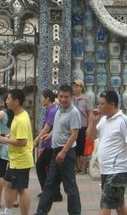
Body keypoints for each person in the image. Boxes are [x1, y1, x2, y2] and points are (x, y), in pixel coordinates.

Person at [87, 90, 127, 215]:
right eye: (99, 103)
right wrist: (93, 121)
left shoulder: (124, 121)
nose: (99, 107)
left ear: (112, 104)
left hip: (118, 170)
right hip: (105, 169)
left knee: (106, 204)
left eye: (102, 104)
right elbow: (91, 137)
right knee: (119, 204)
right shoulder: (103, 120)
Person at [35, 84, 82, 215]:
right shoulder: (59, 110)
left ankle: (75, 212)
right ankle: (41, 212)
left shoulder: (74, 113)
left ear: (71, 97)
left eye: (66, 97)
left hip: (66, 152)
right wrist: (50, 135)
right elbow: (58, 127)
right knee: (50, 183)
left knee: (69, 186)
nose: (63, 99)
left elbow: (74, 135)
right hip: (56, 151)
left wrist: (63, 152)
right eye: (61, 96)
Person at [0, 88, 33, 215]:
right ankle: (8, 211)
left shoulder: (21, 119)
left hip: (21, 160)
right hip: (15, 159)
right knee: (7, 183)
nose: (6, 101)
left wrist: (5, 140)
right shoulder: (19, 115)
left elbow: (22, 142)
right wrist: (9, 137)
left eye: (8, 99)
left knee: (21, 189)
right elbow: (18, 136)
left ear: (16, 102)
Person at [34, 89, 59, 199]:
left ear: (47, 98)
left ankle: (49, 191)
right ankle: (51, 191)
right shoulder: (50, 110)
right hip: (49, 143)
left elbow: (46, 128)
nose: (41, 99)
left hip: (51, 144)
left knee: (41, 166)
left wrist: (36, 140)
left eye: (42, 97)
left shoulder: (52, 111)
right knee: (48, 168)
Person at [71, 79, 92, 173]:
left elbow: (89, 113)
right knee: (75, 147)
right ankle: (77, 166)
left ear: (81, 87)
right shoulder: (71, 99)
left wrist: (89, 126)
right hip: (73, 126)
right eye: (74, 86)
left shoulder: (85, 99)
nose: (75, 88)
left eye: (77, 86)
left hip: (83, 126)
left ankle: (83, 167)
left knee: (83, 147)